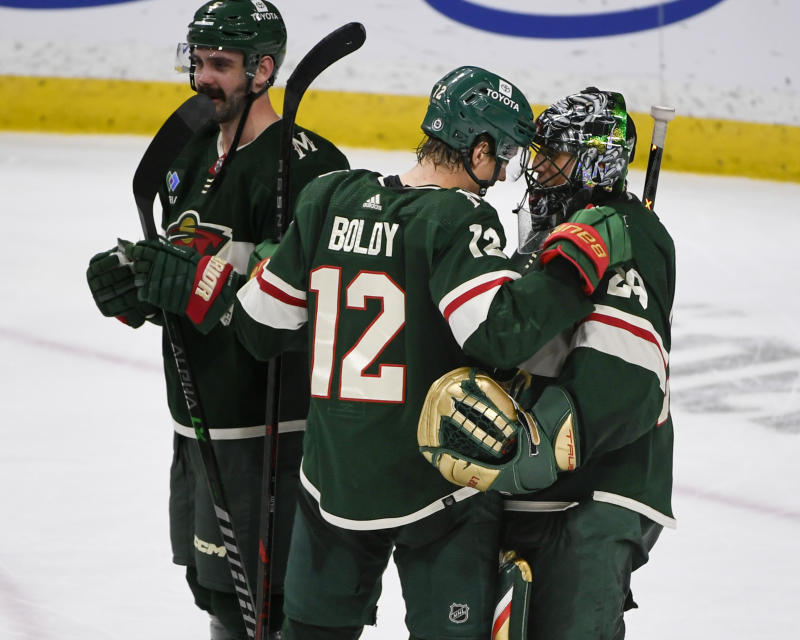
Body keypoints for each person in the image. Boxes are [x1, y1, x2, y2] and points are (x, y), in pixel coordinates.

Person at [124, 66, 632, 639]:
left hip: (331, 479)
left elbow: (260, 328)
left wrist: (254, 267)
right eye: (504, 156)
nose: (502, 175)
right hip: (436, 486)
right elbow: (501, 336)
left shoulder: (327, 197)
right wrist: (572, 269)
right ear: (479, 147)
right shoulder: (460, 219)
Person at [83, 1, 349, 638]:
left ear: (263, 70)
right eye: (198, 61)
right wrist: (140, 287)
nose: (204, 78)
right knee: (215, 596)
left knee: (266, 606)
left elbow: (309, 302)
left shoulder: (308, 168)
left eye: (221, 65)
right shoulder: (190, 147)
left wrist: (199, 285)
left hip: (271, 429)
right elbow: (188, 262)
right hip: (198, 411)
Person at [419, 88, 677, 640]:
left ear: (596, 157)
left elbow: (628, 368)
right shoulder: (545, 234)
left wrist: (541, 443)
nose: (536, 168)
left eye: (553, 155)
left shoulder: (628, 229)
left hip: (597, 490)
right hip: (528, 490)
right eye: (536, 154)